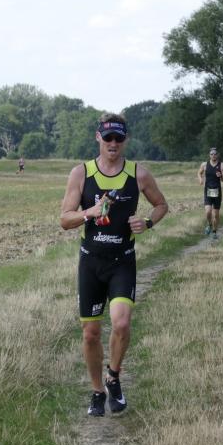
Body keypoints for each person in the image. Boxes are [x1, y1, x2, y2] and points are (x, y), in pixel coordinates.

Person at [60, 112, 169, 417]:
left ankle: (114, 377)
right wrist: (89, 212)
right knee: (90, 333)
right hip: (91, 263)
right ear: (98, 137)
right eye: (108, 137)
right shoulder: (81, 173)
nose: (113, 143)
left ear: (125, 140)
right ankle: (97, 392)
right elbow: (64, 219)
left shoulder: (139, 174)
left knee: (121, 323)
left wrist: (147, 222)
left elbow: (162, 205)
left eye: (118, 138)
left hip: (122, 261)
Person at [197, 147, 223, 239]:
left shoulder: (222, 165)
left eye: (215, 154)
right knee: (208, 212)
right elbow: (199, 173)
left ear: (217, 155)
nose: (213, 155)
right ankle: (209, 225)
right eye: (211, 154)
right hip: (208, 191)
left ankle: (214, 232)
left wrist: (221, 176)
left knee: (216, 214)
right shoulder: (204, 164)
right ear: (209, 155)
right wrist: (200, 179)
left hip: (217, 192)